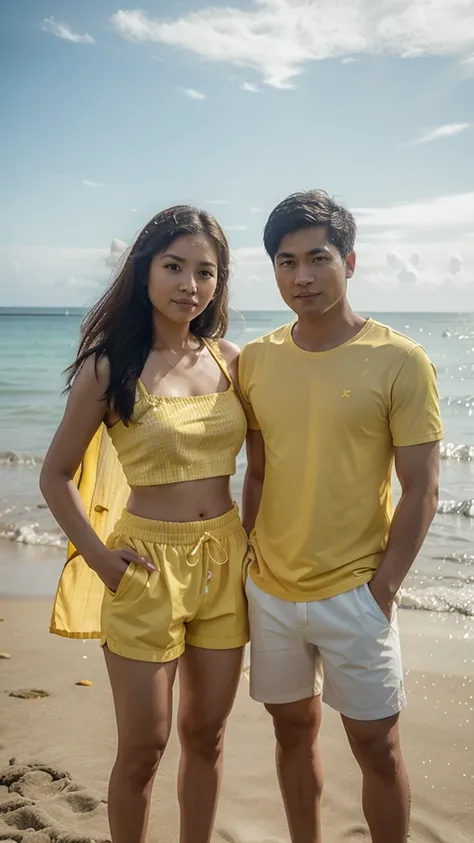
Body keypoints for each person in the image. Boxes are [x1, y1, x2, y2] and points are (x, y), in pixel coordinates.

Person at [40, 205, 250, 843]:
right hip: (145, 566)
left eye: (205, 272)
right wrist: (102, 560)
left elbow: (273, 463)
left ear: (219, 282)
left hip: (225, 560)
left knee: (207, 737)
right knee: (145, 745)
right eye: (175, 266)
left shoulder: (232, 360)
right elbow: (54, 476)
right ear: (145, 270)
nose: (190, 283)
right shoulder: (110, 367)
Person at [239, 190, 443, 843]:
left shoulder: (400, 359)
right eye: (286, 260)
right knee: (292, 733)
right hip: (269, 590)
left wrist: (381, 590)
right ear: (273, 268)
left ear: (350, 260)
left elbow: (422, 490)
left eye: (318, 258)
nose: (301, 276)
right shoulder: (255, 360)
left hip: (357, 592)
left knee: (376, 745)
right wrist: (248, 562)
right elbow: (260, 471)